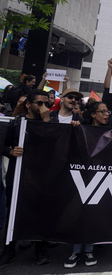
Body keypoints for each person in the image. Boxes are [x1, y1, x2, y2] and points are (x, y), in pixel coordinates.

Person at [0, 90, 51, 267]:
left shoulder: (51, 122)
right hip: (19, 172)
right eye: (39, 103)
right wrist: (10, 151)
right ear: (28, 105)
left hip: (41, 175)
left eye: (46, 103)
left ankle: (40, 246)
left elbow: (53, 144)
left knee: (41, 209)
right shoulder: (16, 123)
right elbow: (4, 143)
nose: (43, 107)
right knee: (13, 207)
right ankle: (9, 248)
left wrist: (46, 122)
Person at [61, 96, 101, 269]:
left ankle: (89, 250)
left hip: (100, 176)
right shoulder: (81, 126)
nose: (106, 114)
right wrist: (75, 129)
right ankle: (76, 250)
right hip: (81, 174)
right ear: (93, 114)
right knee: (78, 210)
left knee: (93, 212)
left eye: (108, 111)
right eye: (103, 111)